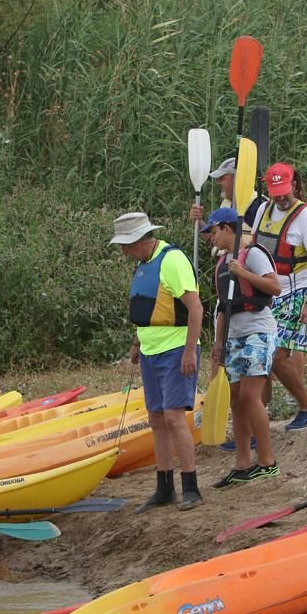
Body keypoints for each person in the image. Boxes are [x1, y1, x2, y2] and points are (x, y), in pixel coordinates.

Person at [112, 212, 206, 512]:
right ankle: (164, 488)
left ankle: (191, 487)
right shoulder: (143, 264)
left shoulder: (172, 260)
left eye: (126, 245)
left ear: (141, 240)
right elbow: (148, 307)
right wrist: (138, 344)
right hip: (151, 353)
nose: (123, 251)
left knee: (174, 418)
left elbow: (195, 309)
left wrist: (190, 351)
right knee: (156, 420)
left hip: (176, 350)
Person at [202, 207, 281, 488]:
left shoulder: (252, 254)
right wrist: (218, 342)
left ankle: (267, 462)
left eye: (212, 231)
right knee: (235, 400)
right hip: (233, 336)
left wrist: (243, 273)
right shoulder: (222, 265)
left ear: (226, 228)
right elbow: (223, 308)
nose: (209, 238)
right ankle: (242, 464)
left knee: (249, 396)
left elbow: (275, 287)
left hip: (257, 331)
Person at [252, 162, 307, 430]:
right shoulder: (263, 209)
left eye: (285, 190)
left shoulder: (306, 217)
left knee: (274, 354)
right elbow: (253, 247)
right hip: (268, 291)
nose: (281, 196)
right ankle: (258, 419)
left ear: (295, 185)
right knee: (260, 354)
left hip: (297, 291)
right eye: (276, 191)